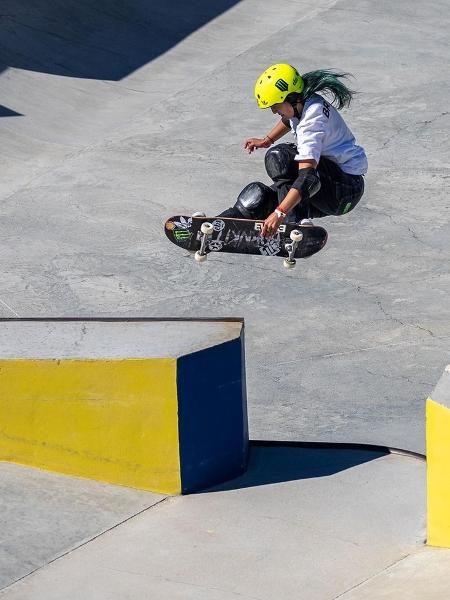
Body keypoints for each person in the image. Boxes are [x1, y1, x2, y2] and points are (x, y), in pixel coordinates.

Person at [215, 63, 368, 238]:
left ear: (291, 98)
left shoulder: (311, 122)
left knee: (280, 157)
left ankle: (294, 225)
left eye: (275, 105)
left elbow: (308, 177)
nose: (273, 111)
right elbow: (289, 120)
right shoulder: (304, 102)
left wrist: (280, 213)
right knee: (259, 197)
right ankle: (215, 227)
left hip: (344, 188)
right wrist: (267, 140)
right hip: (327, 184)